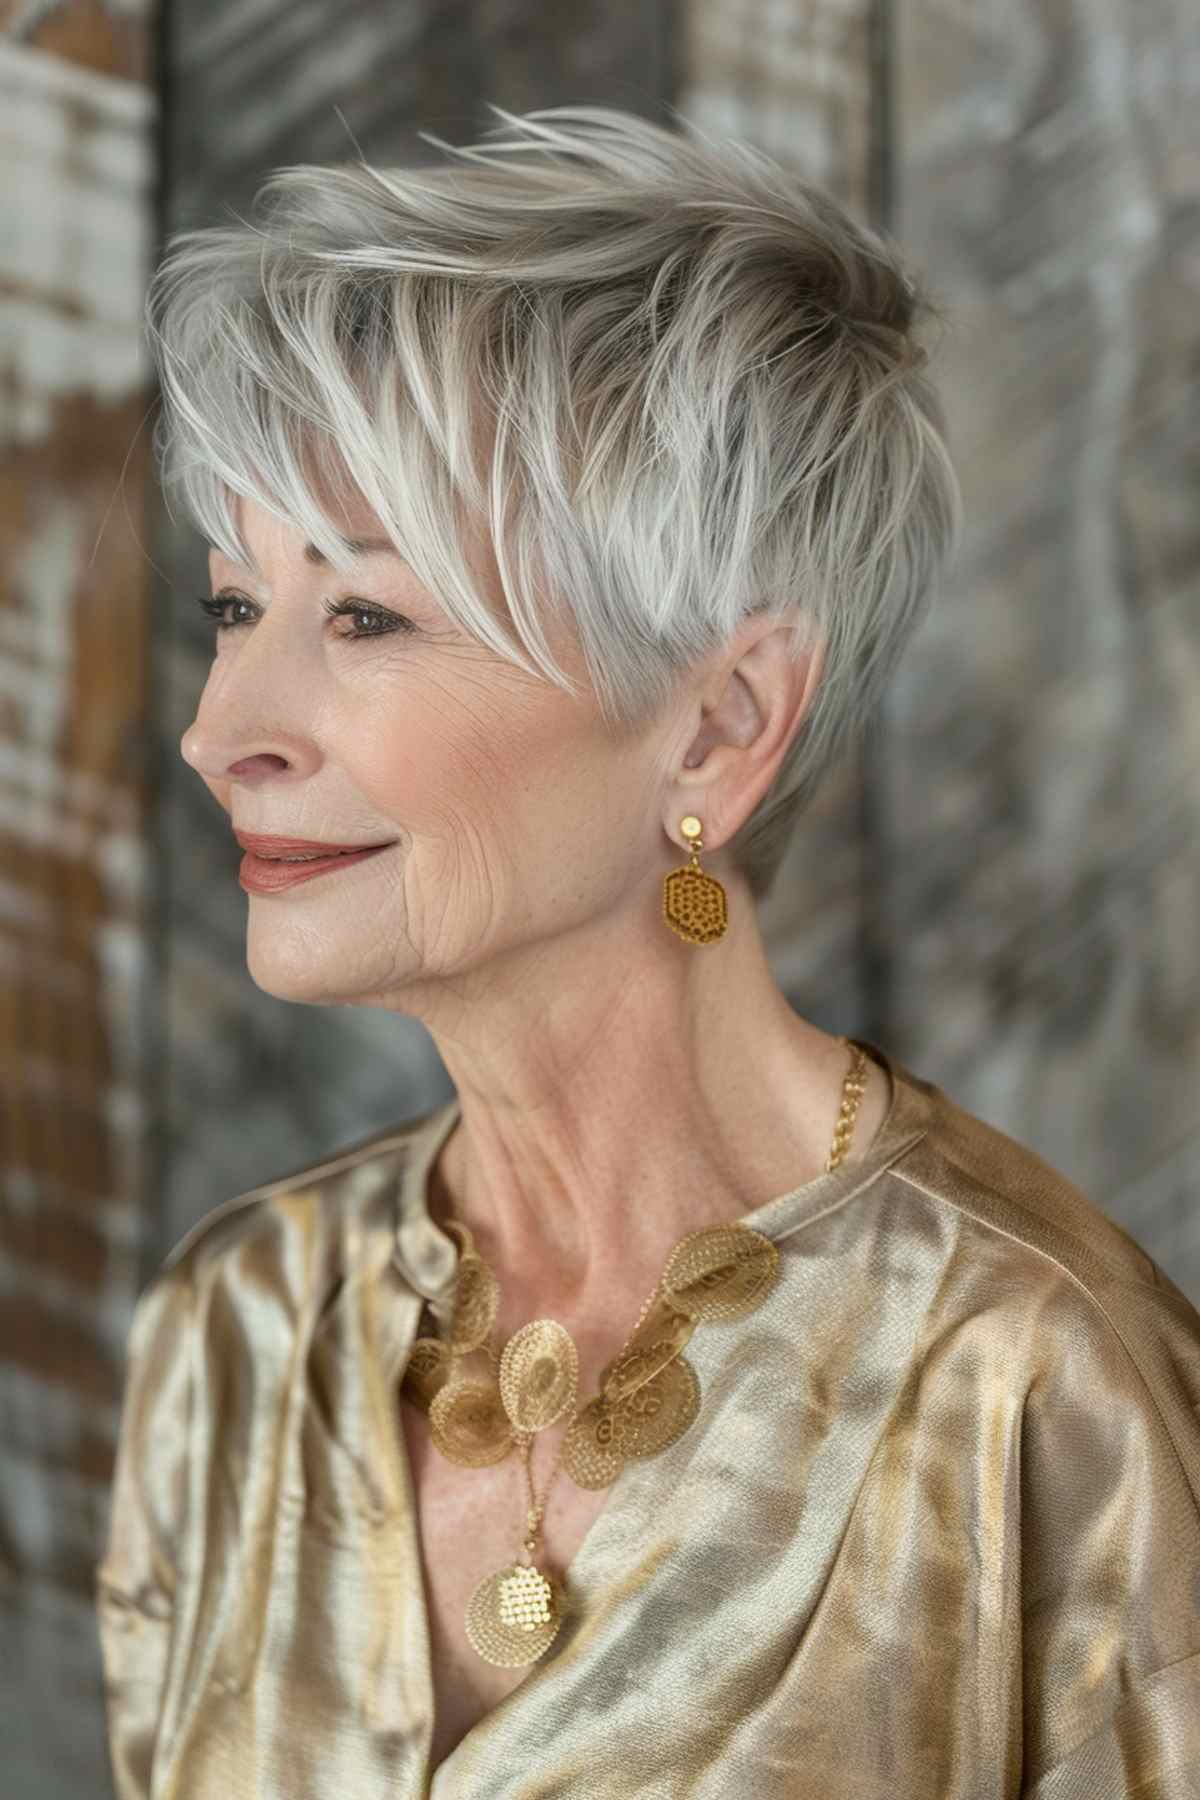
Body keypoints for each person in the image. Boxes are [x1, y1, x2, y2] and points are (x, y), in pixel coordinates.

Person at [95, 104, 1200, 1798]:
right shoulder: (236, 1331)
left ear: (717, 726)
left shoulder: (1040, 1392)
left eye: (367, 615)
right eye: (237, 609)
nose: (221, 730)